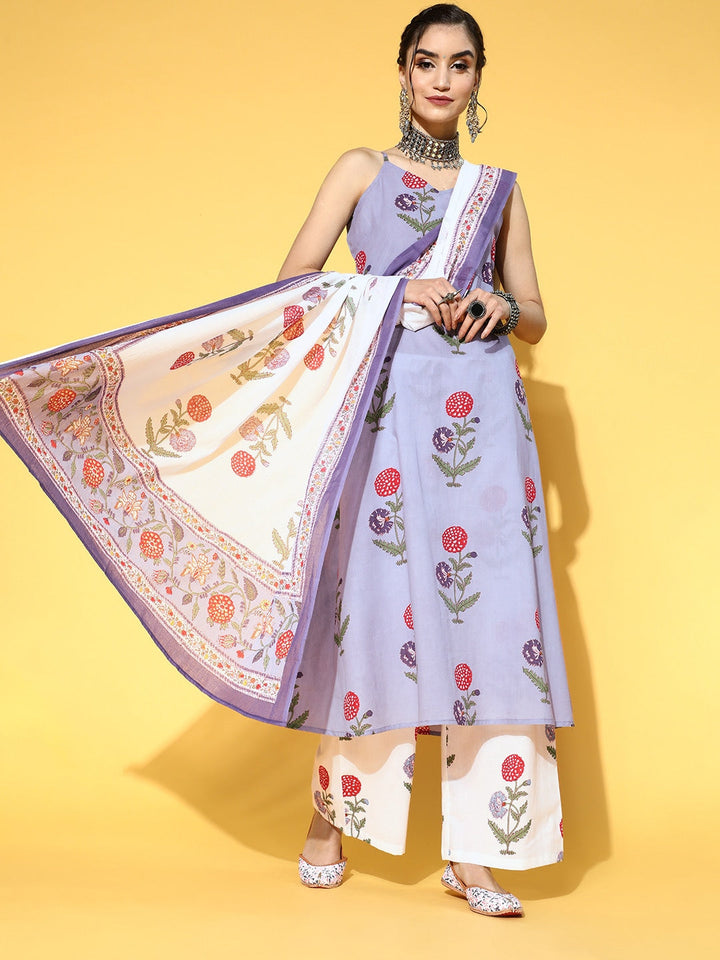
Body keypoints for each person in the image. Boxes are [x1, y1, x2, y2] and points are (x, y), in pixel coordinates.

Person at [0, 4, 571, 919]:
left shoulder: (499, 190)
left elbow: (535, 311)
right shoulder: (361, 169)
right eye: (426, 61)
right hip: (387, 416)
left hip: (484, 430)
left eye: (460, 64)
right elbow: (292, 286)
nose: (441, 79)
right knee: (380, 614)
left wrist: (502, 306)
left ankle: (477, 853)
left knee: (493, 627)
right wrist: (398, 289)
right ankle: (330, 821)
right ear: (401, 71)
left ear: (478, 80)